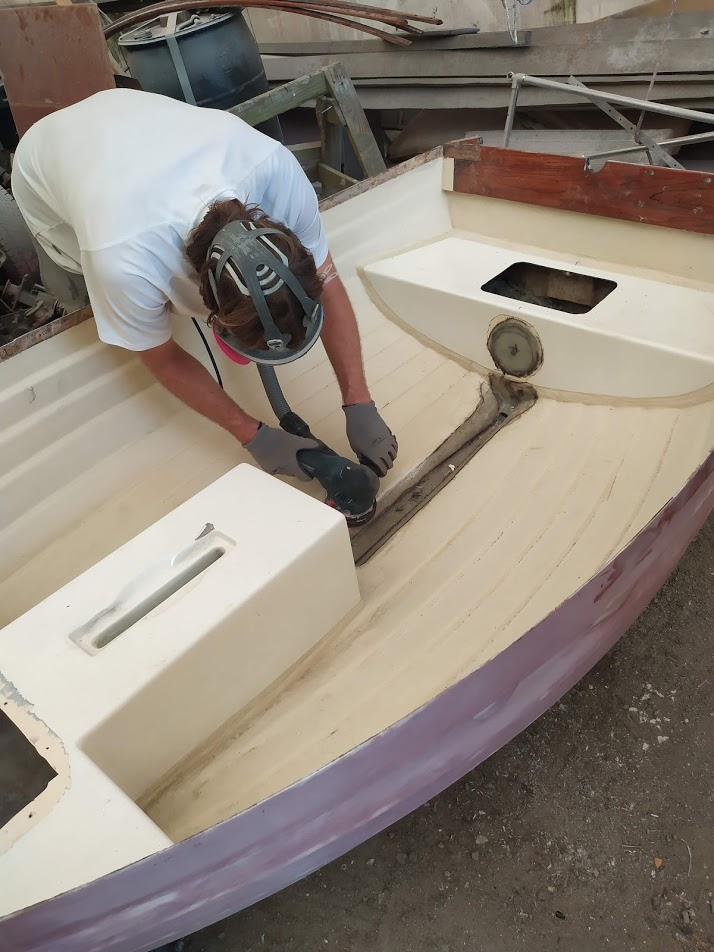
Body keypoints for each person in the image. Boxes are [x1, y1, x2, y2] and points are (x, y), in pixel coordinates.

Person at [11, 87, 398, 481]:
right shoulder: (119, 259)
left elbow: (327, 280)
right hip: (47, 163)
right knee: (88, 299)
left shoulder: (277, 174)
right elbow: (161, 357)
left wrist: (359, 401)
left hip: (131, 117)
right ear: (211, 313)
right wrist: (254, 437)